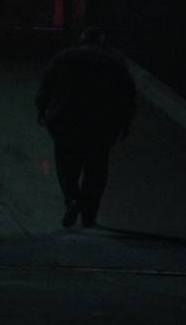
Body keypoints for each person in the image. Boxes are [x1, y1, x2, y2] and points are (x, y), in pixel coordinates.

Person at [35, 26, 137, 228]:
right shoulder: (115, 61)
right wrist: (125, 122)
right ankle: (89, 214)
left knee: (66, 166)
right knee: (96, 170)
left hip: (67, 120)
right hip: (102, 124)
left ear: (81, 40)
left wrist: (42, 109)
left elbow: (47, 85)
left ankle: (72, 199)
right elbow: (128, 95)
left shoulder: (66, 57)